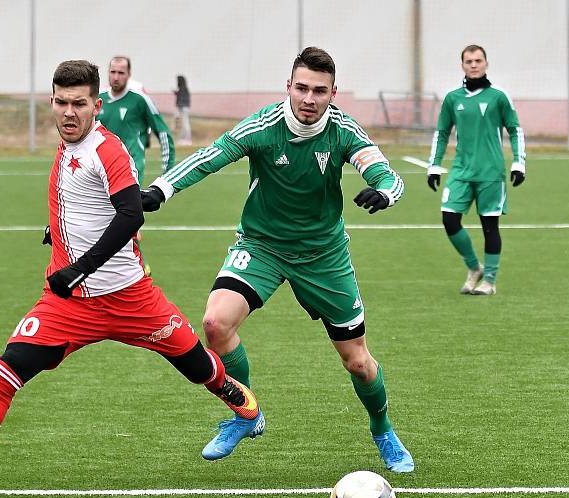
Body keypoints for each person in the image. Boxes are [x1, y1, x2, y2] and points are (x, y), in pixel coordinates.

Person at [0, 60, 263, 498]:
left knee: (196, 365)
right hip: (68, 305)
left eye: (78, 103)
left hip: (132, 298)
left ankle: (234, 397)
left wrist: (78, 267)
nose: (69, 112)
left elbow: (130, 214)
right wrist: (57, 232)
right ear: (51, 102)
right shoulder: (66, 145)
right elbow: (79, 201)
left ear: (97, 106)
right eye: (61, 102)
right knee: (6, 370)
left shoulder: (108, 150)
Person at [141, 47, 413, 472]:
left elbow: (382, 170)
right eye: (301, 88)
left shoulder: (342, 130)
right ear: (288, 87)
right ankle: (245, 412)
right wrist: (160, 190)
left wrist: (383, 191)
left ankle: (383, 430)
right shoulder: (264, 126)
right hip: (262, 246)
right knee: (215, 323)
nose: (309, 98)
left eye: (319, 91)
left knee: (358, 362)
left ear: (332, 93)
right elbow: (210, 157)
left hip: (323, 255)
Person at [427, 44, 526, 296]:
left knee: (489, 226)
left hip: (491, 172)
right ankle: (474, 267)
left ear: (486, 63)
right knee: (449, 219)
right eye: (468, 61)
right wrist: (434, 165)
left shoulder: (498, 96)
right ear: (462, 65)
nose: (473, 65)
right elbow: (441, 133)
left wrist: (518, 162)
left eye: (478, 60)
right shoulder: (452, 98)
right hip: (461, 170)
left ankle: (490, 280)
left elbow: (515, 130)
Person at [98, 56, 175, 185]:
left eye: (121, 73)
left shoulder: (140, 100)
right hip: (101, 167)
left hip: (131, 168)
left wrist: (168, 170)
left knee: (126, 205)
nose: (116, 77)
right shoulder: (98, 99)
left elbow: (163, 132)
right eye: (113, 72)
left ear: (128, 75)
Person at [174, 75, 192, 146]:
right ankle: (183, 139)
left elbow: (183, 99)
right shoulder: (182, 89)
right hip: (183, 108)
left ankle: (187, 139)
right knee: (183, 124)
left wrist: (179, 106)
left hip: (183, 108)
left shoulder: (183, 89)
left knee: (185, 124)